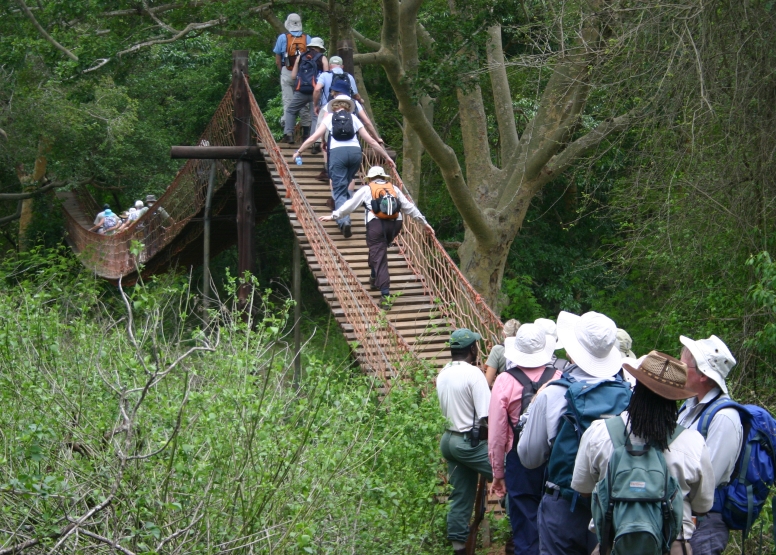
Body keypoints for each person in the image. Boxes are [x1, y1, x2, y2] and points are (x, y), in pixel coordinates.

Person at [572, 351, 715, 555]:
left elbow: (584, 489)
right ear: (675, 398)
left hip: (613, 544)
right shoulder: (692, 443)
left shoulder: (599, 433)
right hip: (672, 546)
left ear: (636, 387)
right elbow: (702, 506)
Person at [517, 311, 632, 555]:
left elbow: (529, 458)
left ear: (571, 351)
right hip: (615, 507)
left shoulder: (553, 394)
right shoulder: (630, 396)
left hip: (563, 507)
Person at [489, 324, 561, 555]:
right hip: (554, 460)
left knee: (524, 530)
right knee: (554, 526)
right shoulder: (559, 377)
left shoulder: (504, 381)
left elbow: (497, 434)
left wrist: (498, 472)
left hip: (519, 460)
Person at [318, 165, 433, 310]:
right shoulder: (394, 189)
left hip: (376, 226)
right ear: (384, 177)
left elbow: (350, 205)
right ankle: (373, 277)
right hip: (396, 225)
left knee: (380, 258)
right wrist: (424, 223)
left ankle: (385, 295)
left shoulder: (367, 189)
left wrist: (333, 216)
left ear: (370, 178)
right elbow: (409, 207)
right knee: (377, 253)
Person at [676, 335, 742, 555]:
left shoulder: (725, 418)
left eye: (683, 365)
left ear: (703, 375)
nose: (678, 368)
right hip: (683, 515)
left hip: (704, 523)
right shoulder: (688, 407)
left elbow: (707, 479)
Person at [294, 97, 392, 235]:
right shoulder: (353, 118)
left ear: (333, 107)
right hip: (355, 153)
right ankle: (344, 211)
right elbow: (371, 141)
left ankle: (344, 221)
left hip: (337, 154)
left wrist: (299, 151)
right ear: (348, 107)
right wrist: (387, 157)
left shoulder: (329, 118)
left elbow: (313, 138)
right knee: (346, 184)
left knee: (338, 189)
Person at [436, 328, 493, 555]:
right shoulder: (473, 374)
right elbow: (486, 417)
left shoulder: (443, 372)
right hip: (468, 443)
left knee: (460, 495)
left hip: (448, 441)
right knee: (510, 477)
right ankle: (518, 536)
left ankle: (459, 548)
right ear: (472, 348)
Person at [313, 79, 383, 183]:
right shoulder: (354, 104)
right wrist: (376, 138)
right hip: (351, 142)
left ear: (334, 92)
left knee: (333, 169)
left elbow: (323, 124)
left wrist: (322, 140)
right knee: (350, 176)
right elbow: (367, 122)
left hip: (333, 139)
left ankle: (328, 173)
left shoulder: (330, 105)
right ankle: (348, 194)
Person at [282, 37, 328, 144]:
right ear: (320, 48)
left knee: (290, 111)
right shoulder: (322, 58)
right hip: (316, 92)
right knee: (315, 116)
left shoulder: (301, 57)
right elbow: (326, 76)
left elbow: (293, 76)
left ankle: (289, 134)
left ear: (310, 46)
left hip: (301, 91)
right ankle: (314, 142)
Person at [273, 13, 311, 130]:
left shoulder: (282, 37)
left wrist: (283, 71)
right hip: (303, 74)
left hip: (287, 70)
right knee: (304, 103)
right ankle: (306, 131)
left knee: (288, 102)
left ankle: (288, 133)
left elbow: (278, 60)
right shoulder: (307, 38)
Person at [483, 319, 521, 386]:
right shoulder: (528, 350)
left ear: (503, 334)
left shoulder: (497, 350)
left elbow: (487, 382)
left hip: (506, 390)